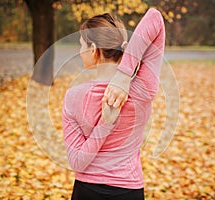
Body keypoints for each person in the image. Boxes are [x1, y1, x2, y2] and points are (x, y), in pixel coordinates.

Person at [62, 8, 165, 200]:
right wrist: (126, 74)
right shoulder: (142, 90)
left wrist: (105, 125)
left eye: (81, 45)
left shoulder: (73, 96)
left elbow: (77, 162)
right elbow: (155, 18)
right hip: (129, 192)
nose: (79, 51)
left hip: (87, 192)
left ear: (93, 50)